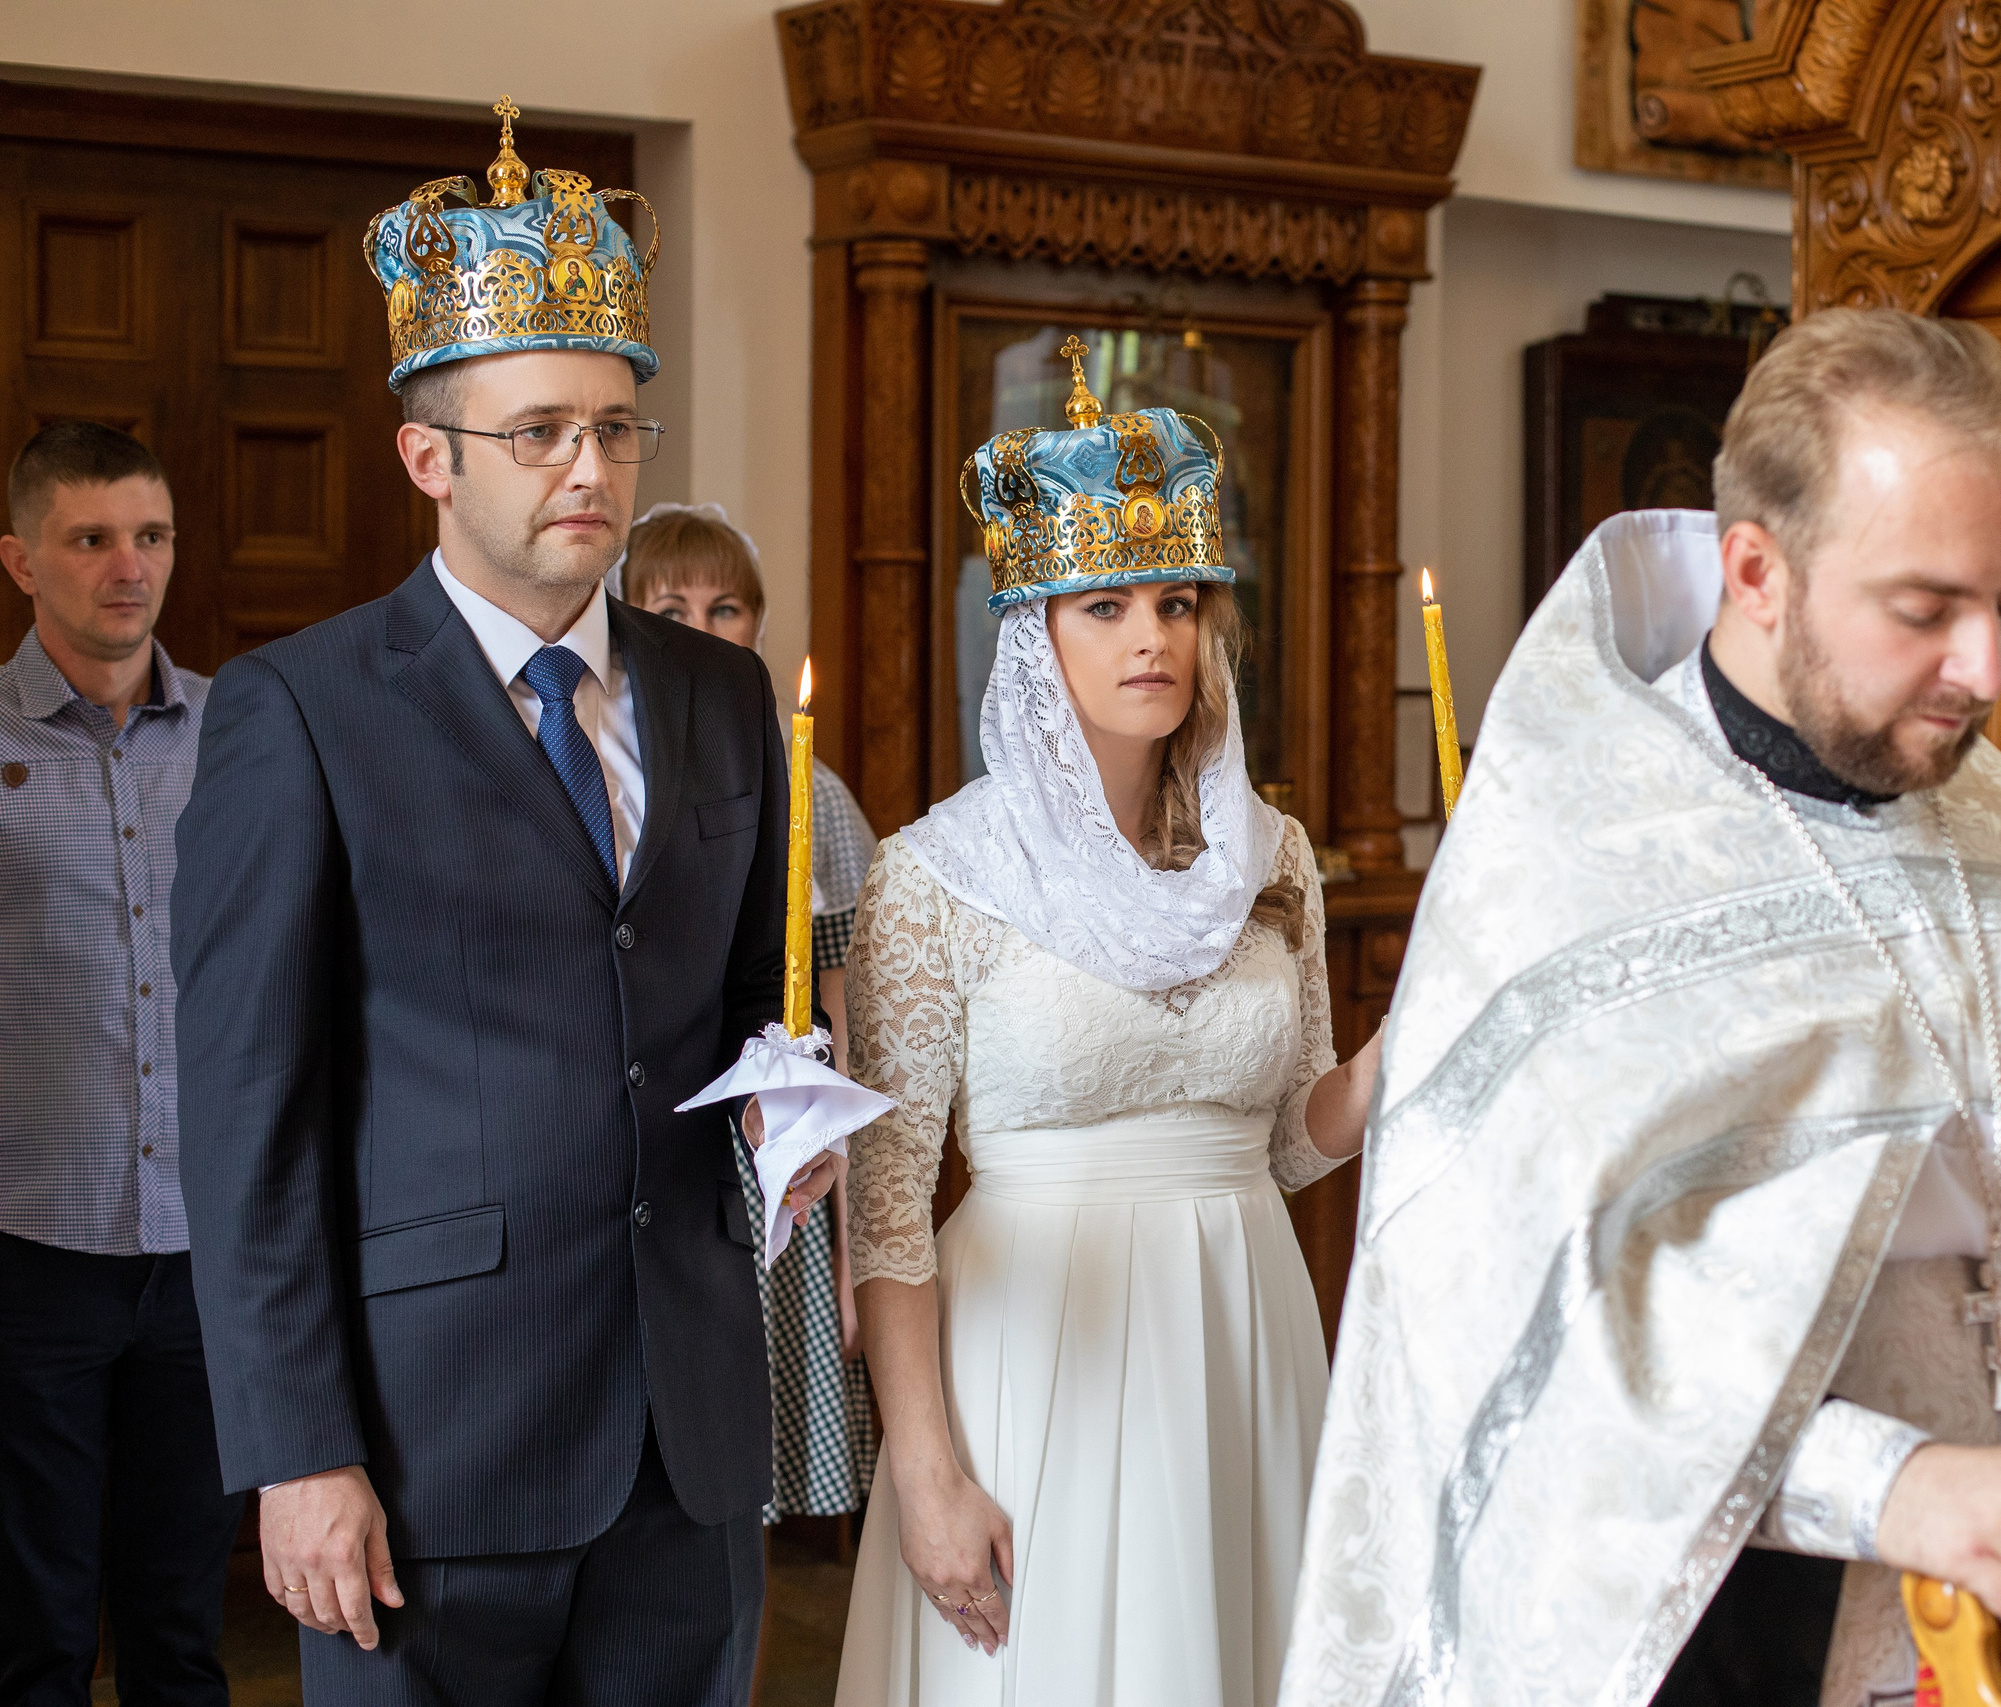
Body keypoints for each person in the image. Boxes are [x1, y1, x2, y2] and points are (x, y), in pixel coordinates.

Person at [1279, 309, 2001, 1707]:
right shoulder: (1573, 869)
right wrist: (1885, 1478)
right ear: (1756, 567)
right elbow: (1522, 1336)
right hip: (1778, 1651)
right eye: (1927, 608)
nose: (1989, 671)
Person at [171, 107, 836, 1704]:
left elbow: (763, 976)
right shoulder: (301, 708)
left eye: (616, 428)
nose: (589, 469)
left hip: (685, 1433)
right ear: (429, 457)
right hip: (424, 1442)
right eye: (538, 430)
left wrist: (790, 1090)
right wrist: (297, 1447)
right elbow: (247, 1114)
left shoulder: (724, 695)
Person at [834, 351, 1381, 1707]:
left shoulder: (1275, 857)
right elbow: (889, 1209)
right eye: (1108, 606)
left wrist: (1407, 1043)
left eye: (1178, 604)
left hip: (1242, 1340)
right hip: (1034, 1361)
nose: (1154, 638)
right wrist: (928, 1470)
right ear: (1038, 636)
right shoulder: (939, 870)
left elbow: (1295, 1146)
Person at [0, 423, 240, 1705]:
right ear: (21, 560)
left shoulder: (240, 735)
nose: (127, 568)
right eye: (91, 539)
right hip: (28, 1248)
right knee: (31, 1626)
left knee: (180, 1623)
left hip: (202, 1253)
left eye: (148, 537)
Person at [622, 500, 881, 1526]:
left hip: (770, 1175)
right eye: (668, 604)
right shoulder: (599, 770)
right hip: (644, 1156)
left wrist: (860, 1252)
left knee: (740, 1496)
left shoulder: (806, 789)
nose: (698, 627)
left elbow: (845, 1019)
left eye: (725, 607)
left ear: (757, 625)